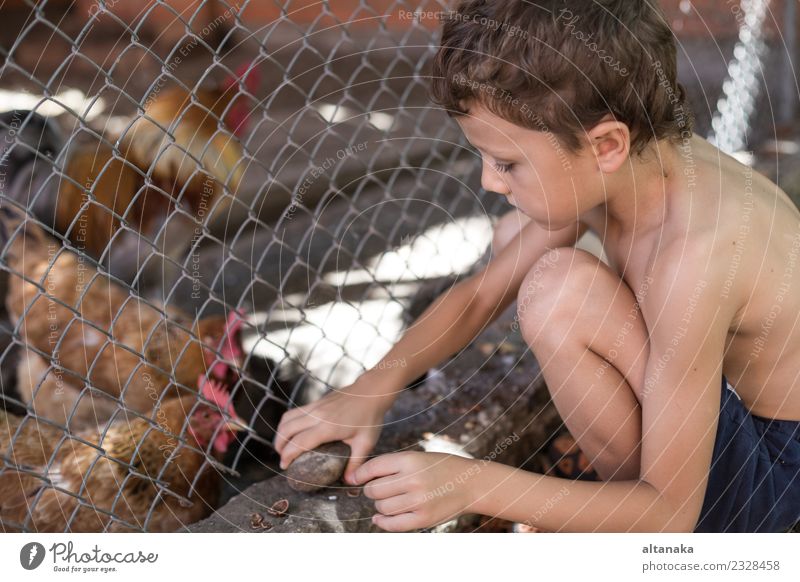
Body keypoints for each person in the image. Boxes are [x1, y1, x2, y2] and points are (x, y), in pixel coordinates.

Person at [275, 0, 800, 532]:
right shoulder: (629, 165)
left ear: (606, 145)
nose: (488, 182)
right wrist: (369, 390)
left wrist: (473, 483)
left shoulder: (694, 256)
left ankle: (641, 537)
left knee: (558, 290)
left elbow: (670, 514)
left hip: (776, 484)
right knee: (519, 240)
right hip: (740, 421)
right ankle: (613, 509)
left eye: (507, 162)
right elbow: (481, 295)